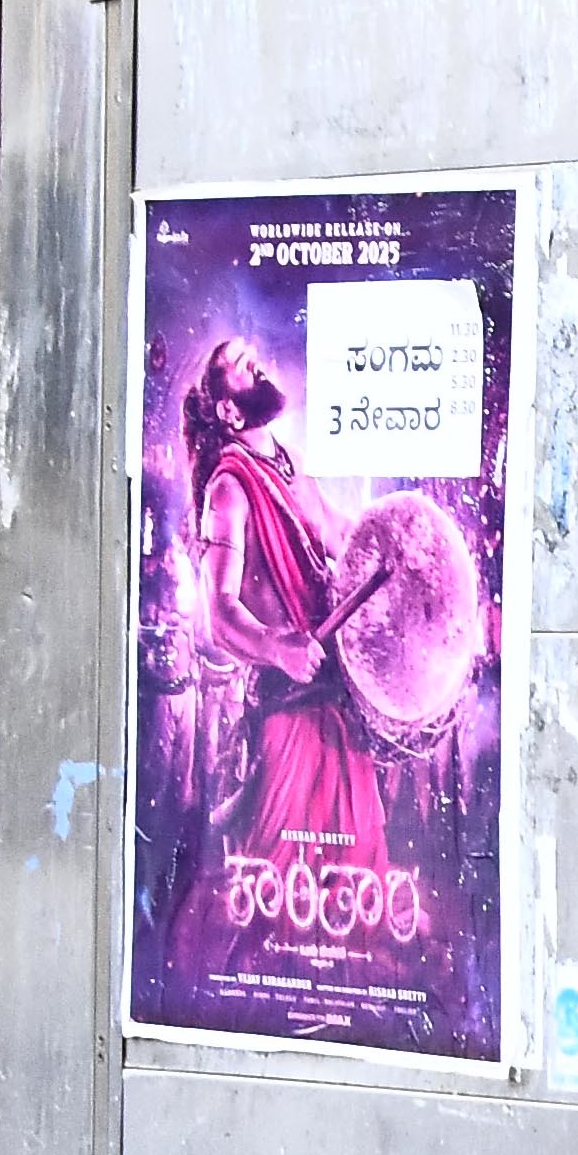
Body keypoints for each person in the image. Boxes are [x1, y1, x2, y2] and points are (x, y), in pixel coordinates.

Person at [180, 334, 387, 959]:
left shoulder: (287, 467)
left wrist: (389, 544)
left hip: (333, 694)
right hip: (287, 702)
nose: (258, 363)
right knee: (275, 871)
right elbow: (220, 616)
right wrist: (278, 646)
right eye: (241, 366)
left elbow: (336, 540)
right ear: (226, 409)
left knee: (359, 857)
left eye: (254, 356)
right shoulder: (229, 490)